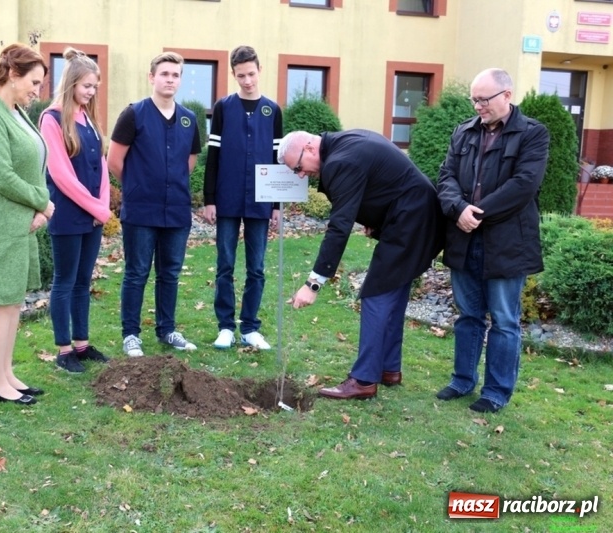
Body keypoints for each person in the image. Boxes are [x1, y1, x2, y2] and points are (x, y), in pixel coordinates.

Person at [279, 129, 444, 400]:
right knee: (393, 291)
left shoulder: (339, 161)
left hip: (412, 221)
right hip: (417, 215)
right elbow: (380, 185)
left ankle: (364, 379)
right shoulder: (345, 142)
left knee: (376, 295)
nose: (300, 174)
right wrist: (375, 220)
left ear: (308, 148)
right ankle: (389, 369)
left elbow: (339, 228)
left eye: (297, 167)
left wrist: (313, 284)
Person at [435, 68, 549, 413]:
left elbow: (524, 185)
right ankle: (462, 380)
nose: (478, 106)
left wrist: (476, 212)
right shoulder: (464, 132)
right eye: (474, 99)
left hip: (506, 242)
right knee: (468, 314)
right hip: (464, 237)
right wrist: (458, 209)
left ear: (507, 96)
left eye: (483, 99)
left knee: (503, 319)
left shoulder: (533, 134)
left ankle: (496, 391)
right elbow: (446, 176)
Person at [0, 43, 54, 405]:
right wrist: (43, 203)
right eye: (34, 81)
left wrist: (39, 207)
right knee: (1, 304)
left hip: (17, 220)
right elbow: (2, 176)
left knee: (13, 302)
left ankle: (7, 375)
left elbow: (34, 163)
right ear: (13, 75)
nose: (38, 90)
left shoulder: (15, 111)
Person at [107, 52, 202, 357]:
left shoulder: (189, 119)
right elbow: (114, 161)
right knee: (137, 272)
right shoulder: (134, 114)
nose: (169, 79)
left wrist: (168, 184)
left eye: (175, 75)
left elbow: (189, 162)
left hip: (176, 210)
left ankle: (167, 329)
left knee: (170, 273)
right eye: (164, 74)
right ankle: (130, 334)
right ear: (152, 77)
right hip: (141, 210)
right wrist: (138, 185)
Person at [203, 45, 283, 351]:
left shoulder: (272, 110)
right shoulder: (223, 107)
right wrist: (210, 198)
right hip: (227, 198)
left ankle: (250, 327)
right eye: (240, 76)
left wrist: (276, 206)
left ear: (259, 70)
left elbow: (278, 159)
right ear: (233, 75)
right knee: (225, 264)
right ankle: (225, 326)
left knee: (257, 267)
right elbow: (214, 155)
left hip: (260, 201)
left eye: (251, 74)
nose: (247, 81)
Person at [40, 48, 111, 373]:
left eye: (95, 86)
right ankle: (63, 349)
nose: (91, 92)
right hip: (68, 214)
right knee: (65, 281)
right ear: (71, 84)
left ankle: (82, 345)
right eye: (86, 86)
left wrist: (103, 208)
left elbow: (102, 167)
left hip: (93, 216)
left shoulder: (89, 120)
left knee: (84, 281)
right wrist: (95, 207)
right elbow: (60, 175)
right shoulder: (52, 119)